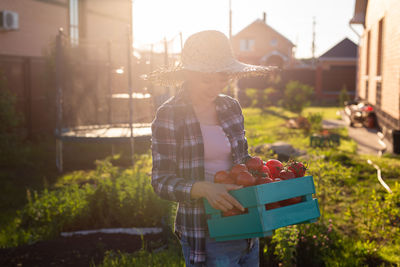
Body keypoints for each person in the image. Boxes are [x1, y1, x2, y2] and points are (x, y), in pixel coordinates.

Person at [148, 30, 276, 266]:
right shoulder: (170, 115)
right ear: (188, 74)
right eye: (207, 79)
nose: (216, 86)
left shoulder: (231, 107)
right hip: (205, 233)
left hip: (246, 228)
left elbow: (242, 161)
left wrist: (270, 178)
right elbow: (161, 181)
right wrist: (205, 189)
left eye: (223, 78)